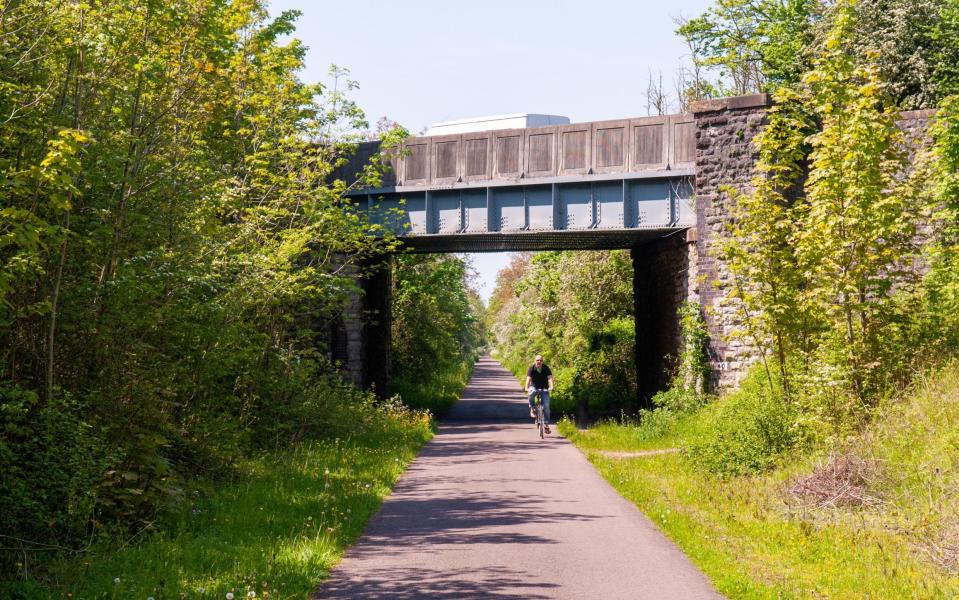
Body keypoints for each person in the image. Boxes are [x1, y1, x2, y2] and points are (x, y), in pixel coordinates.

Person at [524, 354, 554, 433]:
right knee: (531, 392)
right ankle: (533, 407)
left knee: (546, 405)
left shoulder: (546, 368)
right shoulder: (531, 368)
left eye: (540, 360)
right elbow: (528, 379)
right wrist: (526, 388)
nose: (539, 362)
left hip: (544, 388)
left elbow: (550, 378)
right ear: (535, 361)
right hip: (534, 386)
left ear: (542, 361)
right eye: (537, 360)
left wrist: (551, 387)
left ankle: (546, 424)